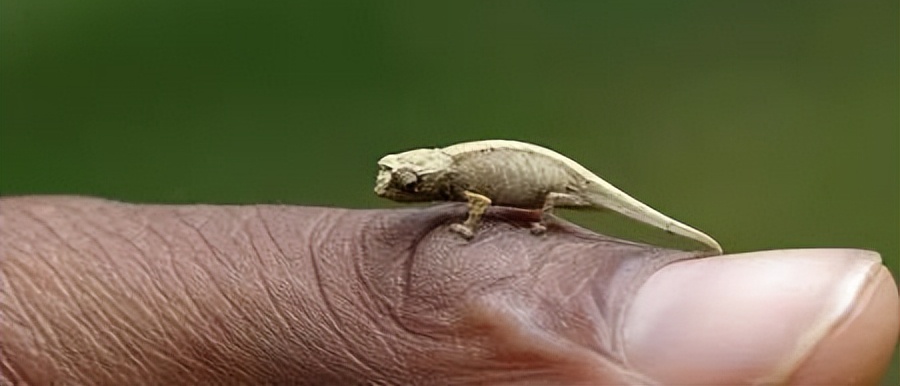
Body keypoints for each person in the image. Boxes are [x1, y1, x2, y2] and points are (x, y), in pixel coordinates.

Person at [1, 195, 897, 385]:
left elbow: (488, 193)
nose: (396, 191)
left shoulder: (462, 184)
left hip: (539, 181)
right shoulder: (441, 174)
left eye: (405, 183)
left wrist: (483, 225)